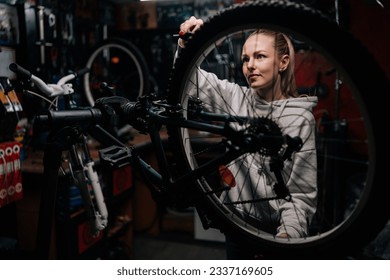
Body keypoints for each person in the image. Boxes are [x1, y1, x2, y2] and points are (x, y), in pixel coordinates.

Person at [176, 16, 318, 259]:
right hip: (236, 227)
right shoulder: (236, 98)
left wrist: (286, 238)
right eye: (245, 59)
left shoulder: (300, 119)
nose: (250, 65)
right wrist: (186, 47)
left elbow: (300, 195)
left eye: (260, 56)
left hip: (277, 235)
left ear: (283, 62)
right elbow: (192, 82)